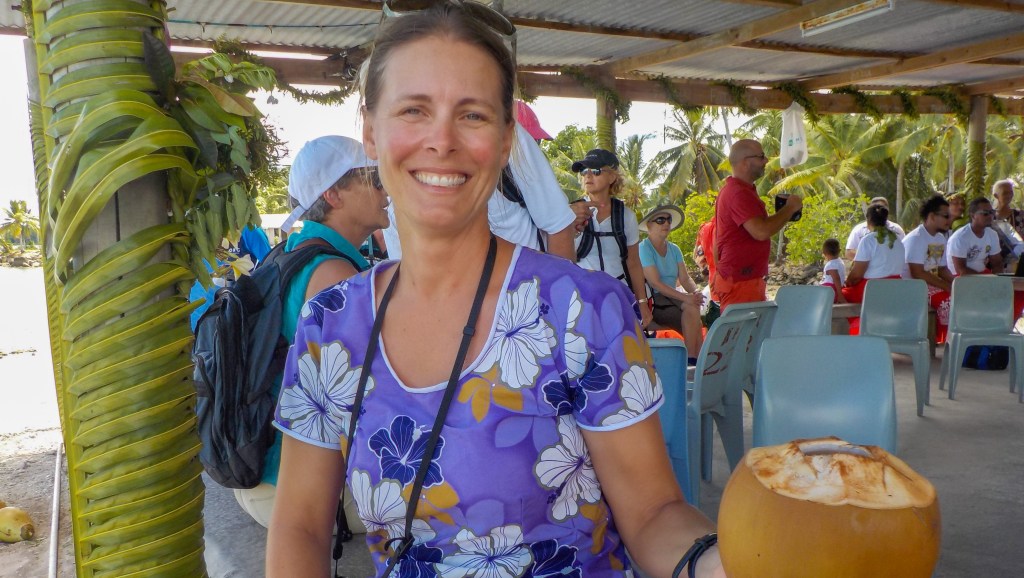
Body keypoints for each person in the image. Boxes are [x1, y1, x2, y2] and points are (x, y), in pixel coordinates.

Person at [266, 3, 724, 578]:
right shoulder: (330, 324)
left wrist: (727, 563)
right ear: (371, 132)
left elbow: (654, 513)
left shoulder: (581, 312)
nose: (442, 140)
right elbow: (301, 527)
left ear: (507, 139)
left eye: (472, 115)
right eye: (413, 110)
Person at [233, 135, 389, 530]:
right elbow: (372, 394)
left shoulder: (293, 251)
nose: (387, 188)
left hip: (264, 474)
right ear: (333, 194)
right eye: (375, 178)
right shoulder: (334, 274)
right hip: (297, 491)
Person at [381, 100, 579, 261]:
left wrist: (557, 294)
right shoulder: (394, 196)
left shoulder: (505, 136)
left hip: (527, 286)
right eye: (411, 111)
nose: (441, 144)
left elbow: (558, 226)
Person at [712, 139, 802, 311]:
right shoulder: (738, 193)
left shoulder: (739, 191)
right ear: (745, 162)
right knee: (743, 328)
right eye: (761, 157)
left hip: (742, 278)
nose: (766, 160)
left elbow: (718, 240)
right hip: (740, 280)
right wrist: (790, 208)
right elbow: (761, 231)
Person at [572, 148, 653, 327]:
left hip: (618, 297)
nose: (588, 176)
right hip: (581, 297)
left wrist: (642, 303)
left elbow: (633, 262)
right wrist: (572, 227)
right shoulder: (570, 212)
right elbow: (559, 258)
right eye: (584, 171)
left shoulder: (626, 216)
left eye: (596, 171)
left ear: (612, 177)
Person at [638, 204, 705, 359]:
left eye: (668, 219)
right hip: (654, 301)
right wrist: (687, 298)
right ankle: (694, 359)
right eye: (660, 220)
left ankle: (693, 359)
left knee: (693, 308)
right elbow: (655, 283)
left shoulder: (674, 249)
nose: (666, 223)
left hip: (673, 298)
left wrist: (695, 293)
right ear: (649, 225)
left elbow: (685, 279)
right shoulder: (644, 248)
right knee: (692, 311)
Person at [902, 194, 955, 343]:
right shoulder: (916, 238)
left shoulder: (940, 238)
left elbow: (942, 269)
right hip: (912, 285)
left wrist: (957, 283)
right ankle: (944, 342)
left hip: (929, 283)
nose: (949, 220)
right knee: (949, 301)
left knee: (961, 295)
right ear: (931, 216)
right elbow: (917, 273)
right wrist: (947, 286)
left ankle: (951, 341)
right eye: (946, 216)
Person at [842, 204, 906, 304]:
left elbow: (856, 276)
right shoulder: (897, 239)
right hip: (895, 289)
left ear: (868, 220)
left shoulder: (868, 240)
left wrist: (847, 283)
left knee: (837, 294)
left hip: (872, 289)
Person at [946, 197, 1003, 276]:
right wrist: (986, 280)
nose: (990, 216)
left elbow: (997, 264)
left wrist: (998, 280)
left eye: (992, 212)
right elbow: (961, 270)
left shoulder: (992, 234)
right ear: (973, 215)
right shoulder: (960, 237)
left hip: (982, 275)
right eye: (985, 213)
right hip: (959, 278)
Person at [844, 196, 906, 260]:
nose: (878, 212)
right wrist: (871, 259)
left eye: (881, 209)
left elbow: (904, 250)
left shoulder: (897, 230)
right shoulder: (859, 230)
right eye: (875, 209)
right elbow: (849, 253)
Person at [990, 179, 1024, 271]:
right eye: (1005, 193)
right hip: (994, 264)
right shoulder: (989, 216)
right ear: (996, 195)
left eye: (1011, 192)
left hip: (1016, 263)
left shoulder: (1020, 215)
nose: (1009, 195)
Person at [820, 238, 846, 303]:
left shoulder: (831, 265)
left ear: (824, 253)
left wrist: (840, 295)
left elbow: (836, 279)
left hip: (830, 290)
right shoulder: (840, 262)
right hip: (837, 288)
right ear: (839, 251)